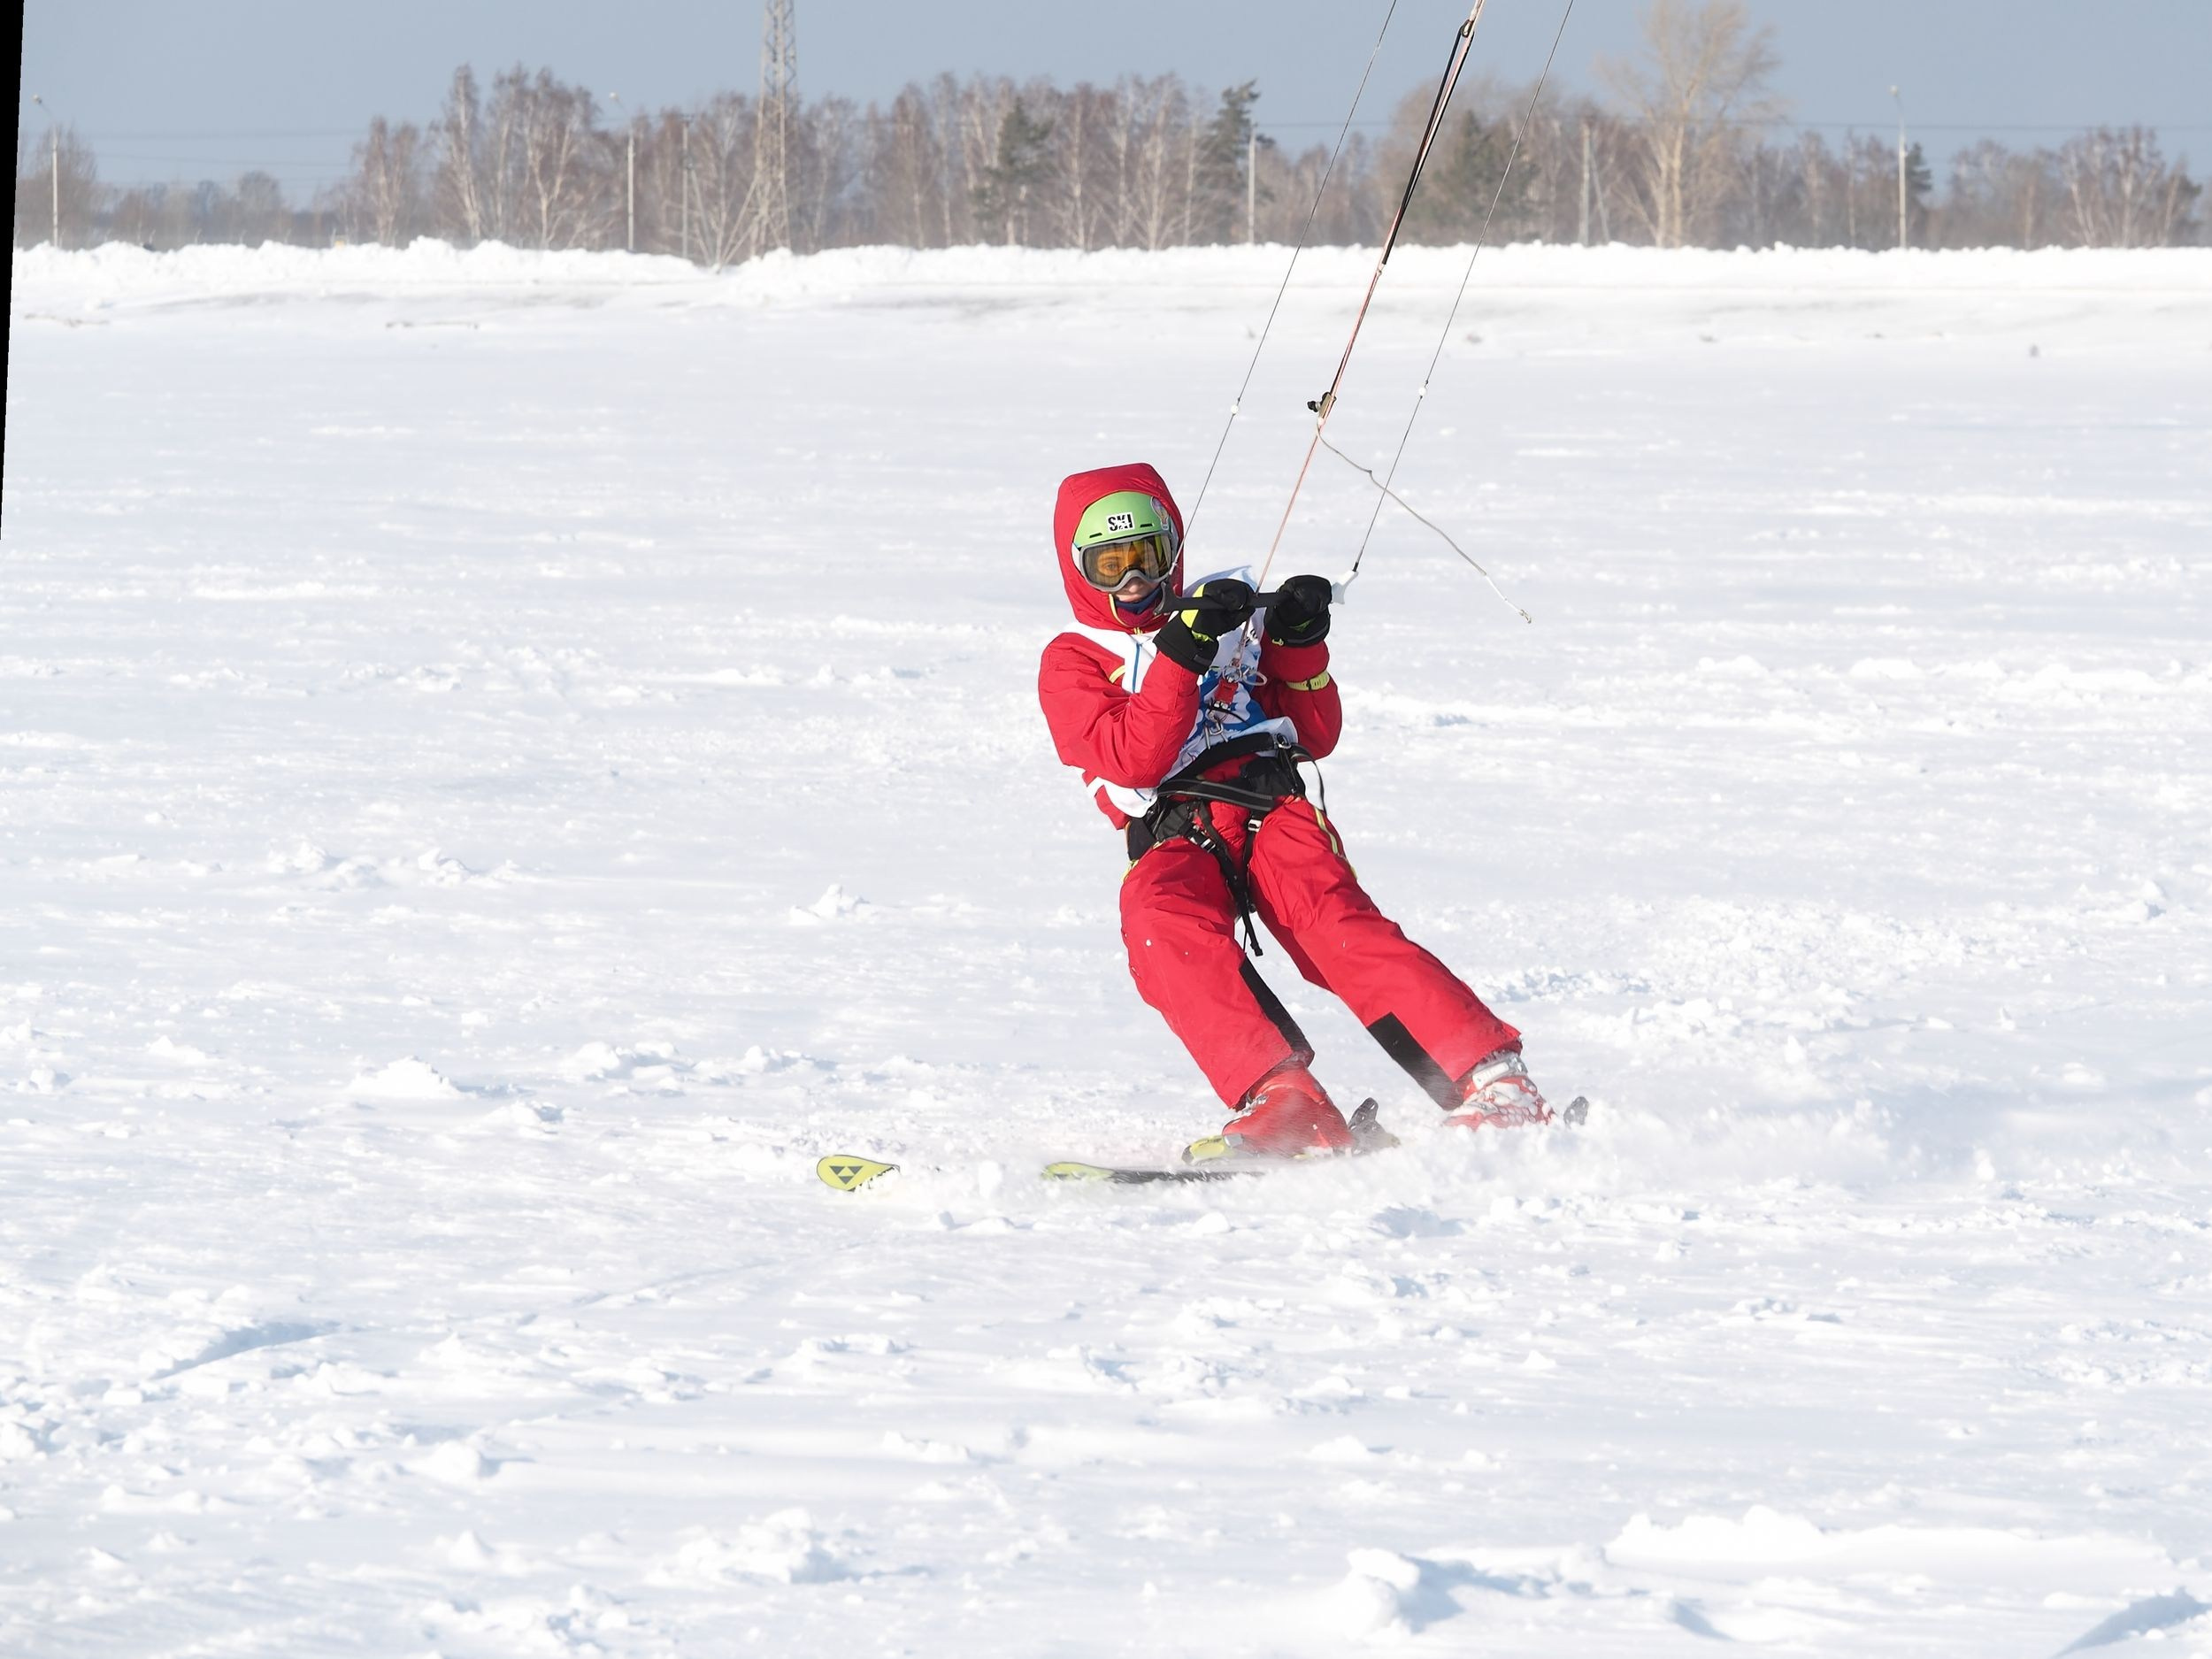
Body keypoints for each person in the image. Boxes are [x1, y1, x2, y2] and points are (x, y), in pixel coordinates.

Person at [1037, 461, 1558, 1160]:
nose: (1133, 580)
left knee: (1332, 925)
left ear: (1172, 551)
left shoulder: (1227, 616)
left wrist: (1297, 641)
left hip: (1267, 806)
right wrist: (1180, 654)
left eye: (1146, 557)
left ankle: (1495, 1082)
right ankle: (1286, 1100)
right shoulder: (1073, 659)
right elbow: (1132, 759)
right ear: (1079, 570)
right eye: (1110, 565)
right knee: (1157, 922)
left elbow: (1316, 731)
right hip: (1172, 830)